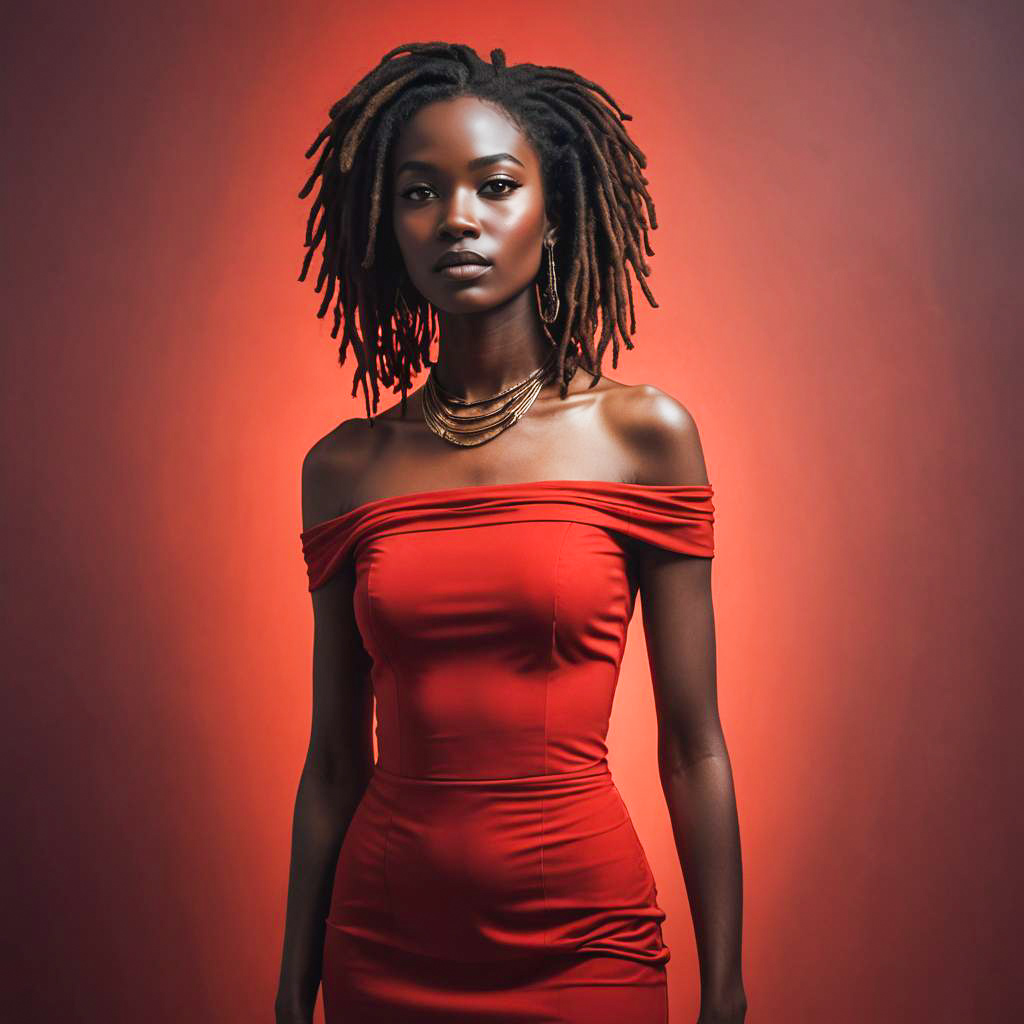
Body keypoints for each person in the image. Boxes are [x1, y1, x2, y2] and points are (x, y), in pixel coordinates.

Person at [275, 41, 746, 1024]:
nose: (456, 218)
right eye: (419, 192)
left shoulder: (642, 437)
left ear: (554, 210)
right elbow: (330, 763)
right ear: (383, 229)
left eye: (494, 185)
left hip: (585, 946)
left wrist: (727, 992)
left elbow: (692, 746)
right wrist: (289, 993)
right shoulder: (344, 467)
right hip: (382, 943)